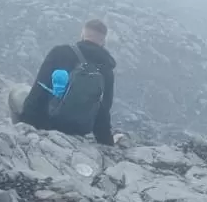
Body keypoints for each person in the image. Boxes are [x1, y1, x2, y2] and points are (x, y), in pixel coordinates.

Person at [7, 18, 123, 146]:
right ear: (103, 41)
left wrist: (27, 126)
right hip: (78, 129)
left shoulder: (60, 52)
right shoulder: (106, 69)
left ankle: (17, 133)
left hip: (45, 121)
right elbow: (103, 110)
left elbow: (39, 89)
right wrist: (106, 141)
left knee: (17, 92)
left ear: (82, 34)